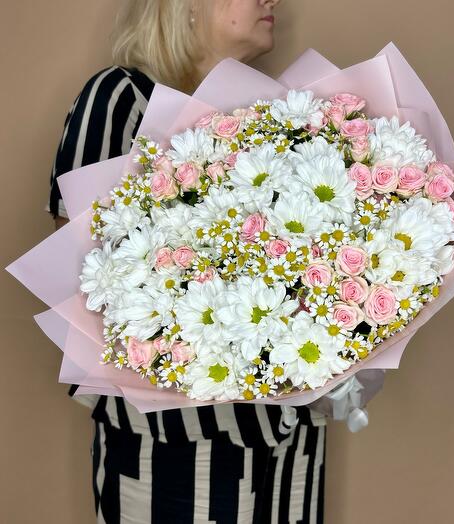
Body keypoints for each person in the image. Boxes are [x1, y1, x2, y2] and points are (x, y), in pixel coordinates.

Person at [47, 1, 385, 522]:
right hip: (174, 445)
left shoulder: (279, 116)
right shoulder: (120, 98)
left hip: (289, 440)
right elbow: (83, 272)